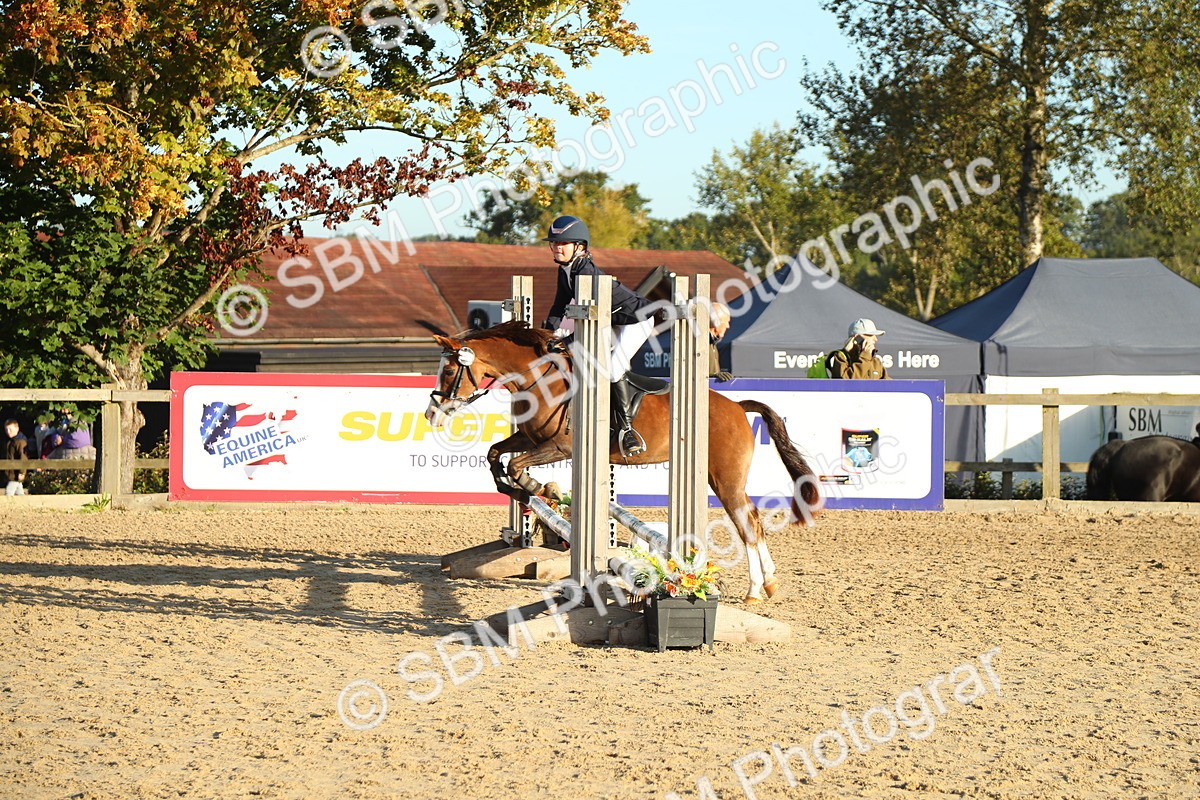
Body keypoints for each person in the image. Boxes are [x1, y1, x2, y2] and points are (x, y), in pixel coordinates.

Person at [541, 215, 657, 456]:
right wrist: (546, 335)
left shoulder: (588, 274)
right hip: (609, 320)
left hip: (636, 320)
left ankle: (627, 430)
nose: (556, 248)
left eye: (562, 244)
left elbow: (591, 329)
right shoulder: (566, 271)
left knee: (613, 368)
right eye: (553, 243)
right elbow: (558, 306)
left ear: (580, 247)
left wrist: (565, 342)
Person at [708, 302, 734, 382]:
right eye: (726, 321)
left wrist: (715, 375)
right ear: (716, 322)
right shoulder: (697, 343)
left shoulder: (712, 345)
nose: (728, 326)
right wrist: (713, 376)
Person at [3, 419, 29, 496]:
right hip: (11, 473)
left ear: (17, 429)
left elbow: (23, 457)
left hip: (16, 474)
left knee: (8, 493)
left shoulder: (20, 442)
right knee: (19, 493)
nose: (8, 431)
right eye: (6, 429)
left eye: (10, 429)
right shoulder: (10, 442)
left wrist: (22, 472)